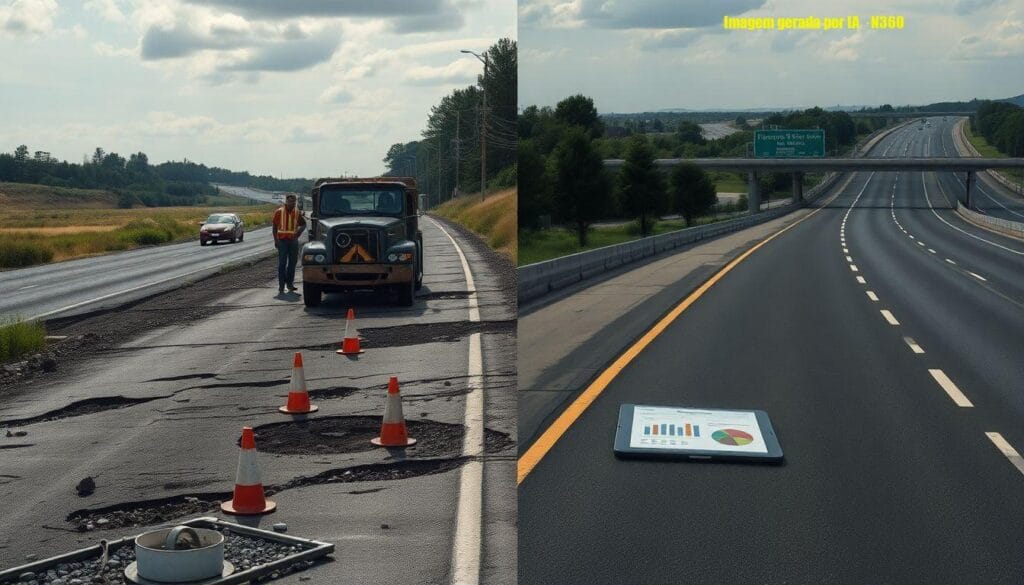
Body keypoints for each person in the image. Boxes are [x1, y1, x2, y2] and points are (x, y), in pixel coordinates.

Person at [272, 194, 306, 294]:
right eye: (290, 201)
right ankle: (281, 285)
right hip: (282, 241)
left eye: (294, 201)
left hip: (293, 241)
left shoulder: (297, 212)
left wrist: (299, 232)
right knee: (282, 263)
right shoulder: (279, 212)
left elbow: (303, 224)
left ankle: (290, 284)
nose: (292, 203)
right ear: (286, 201)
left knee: (292, 263)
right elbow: (274, 227)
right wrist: (276, 240)